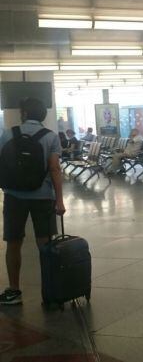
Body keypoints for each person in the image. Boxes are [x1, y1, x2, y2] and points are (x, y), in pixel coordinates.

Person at [0, 98, 66, 305]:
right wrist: (60, 201)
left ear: (24, 113)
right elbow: (54, 168)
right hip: (43, 197)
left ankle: (13, 291)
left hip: (14, 196)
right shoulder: (51, 137)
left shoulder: (9, 133)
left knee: (13, 242)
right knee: (45, 244)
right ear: (43, 115)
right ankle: (51, 292)